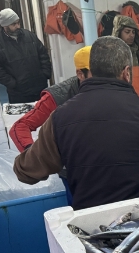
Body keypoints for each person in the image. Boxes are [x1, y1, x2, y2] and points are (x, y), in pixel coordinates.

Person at [13, 36, 139, 210]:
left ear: (89, 70)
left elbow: (26, 172)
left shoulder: (59, 119)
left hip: (93, 228)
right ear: (126, 73)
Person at [9, 45, 92, 206]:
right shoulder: (57, 97)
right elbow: (20, 126)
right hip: (73, 172)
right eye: (96, 73)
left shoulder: (113, 87)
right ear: (80, 74)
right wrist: (32, 153)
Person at [0, 8, 52, 104]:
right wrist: (12, 83)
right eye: (13, 24)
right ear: (5, 26)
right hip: (18, 92)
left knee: (43, 114)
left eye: (18, 23)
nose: (17, 26)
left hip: (39, 86)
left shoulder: (29, 35)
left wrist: (45, 73)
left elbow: (43, 54)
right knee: (23, 117)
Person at [112, 15, 139, 107]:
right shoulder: (112, 58)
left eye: (133, 32)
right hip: (123, 108)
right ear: (118, 32)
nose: (131, 35)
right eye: (127, 32)